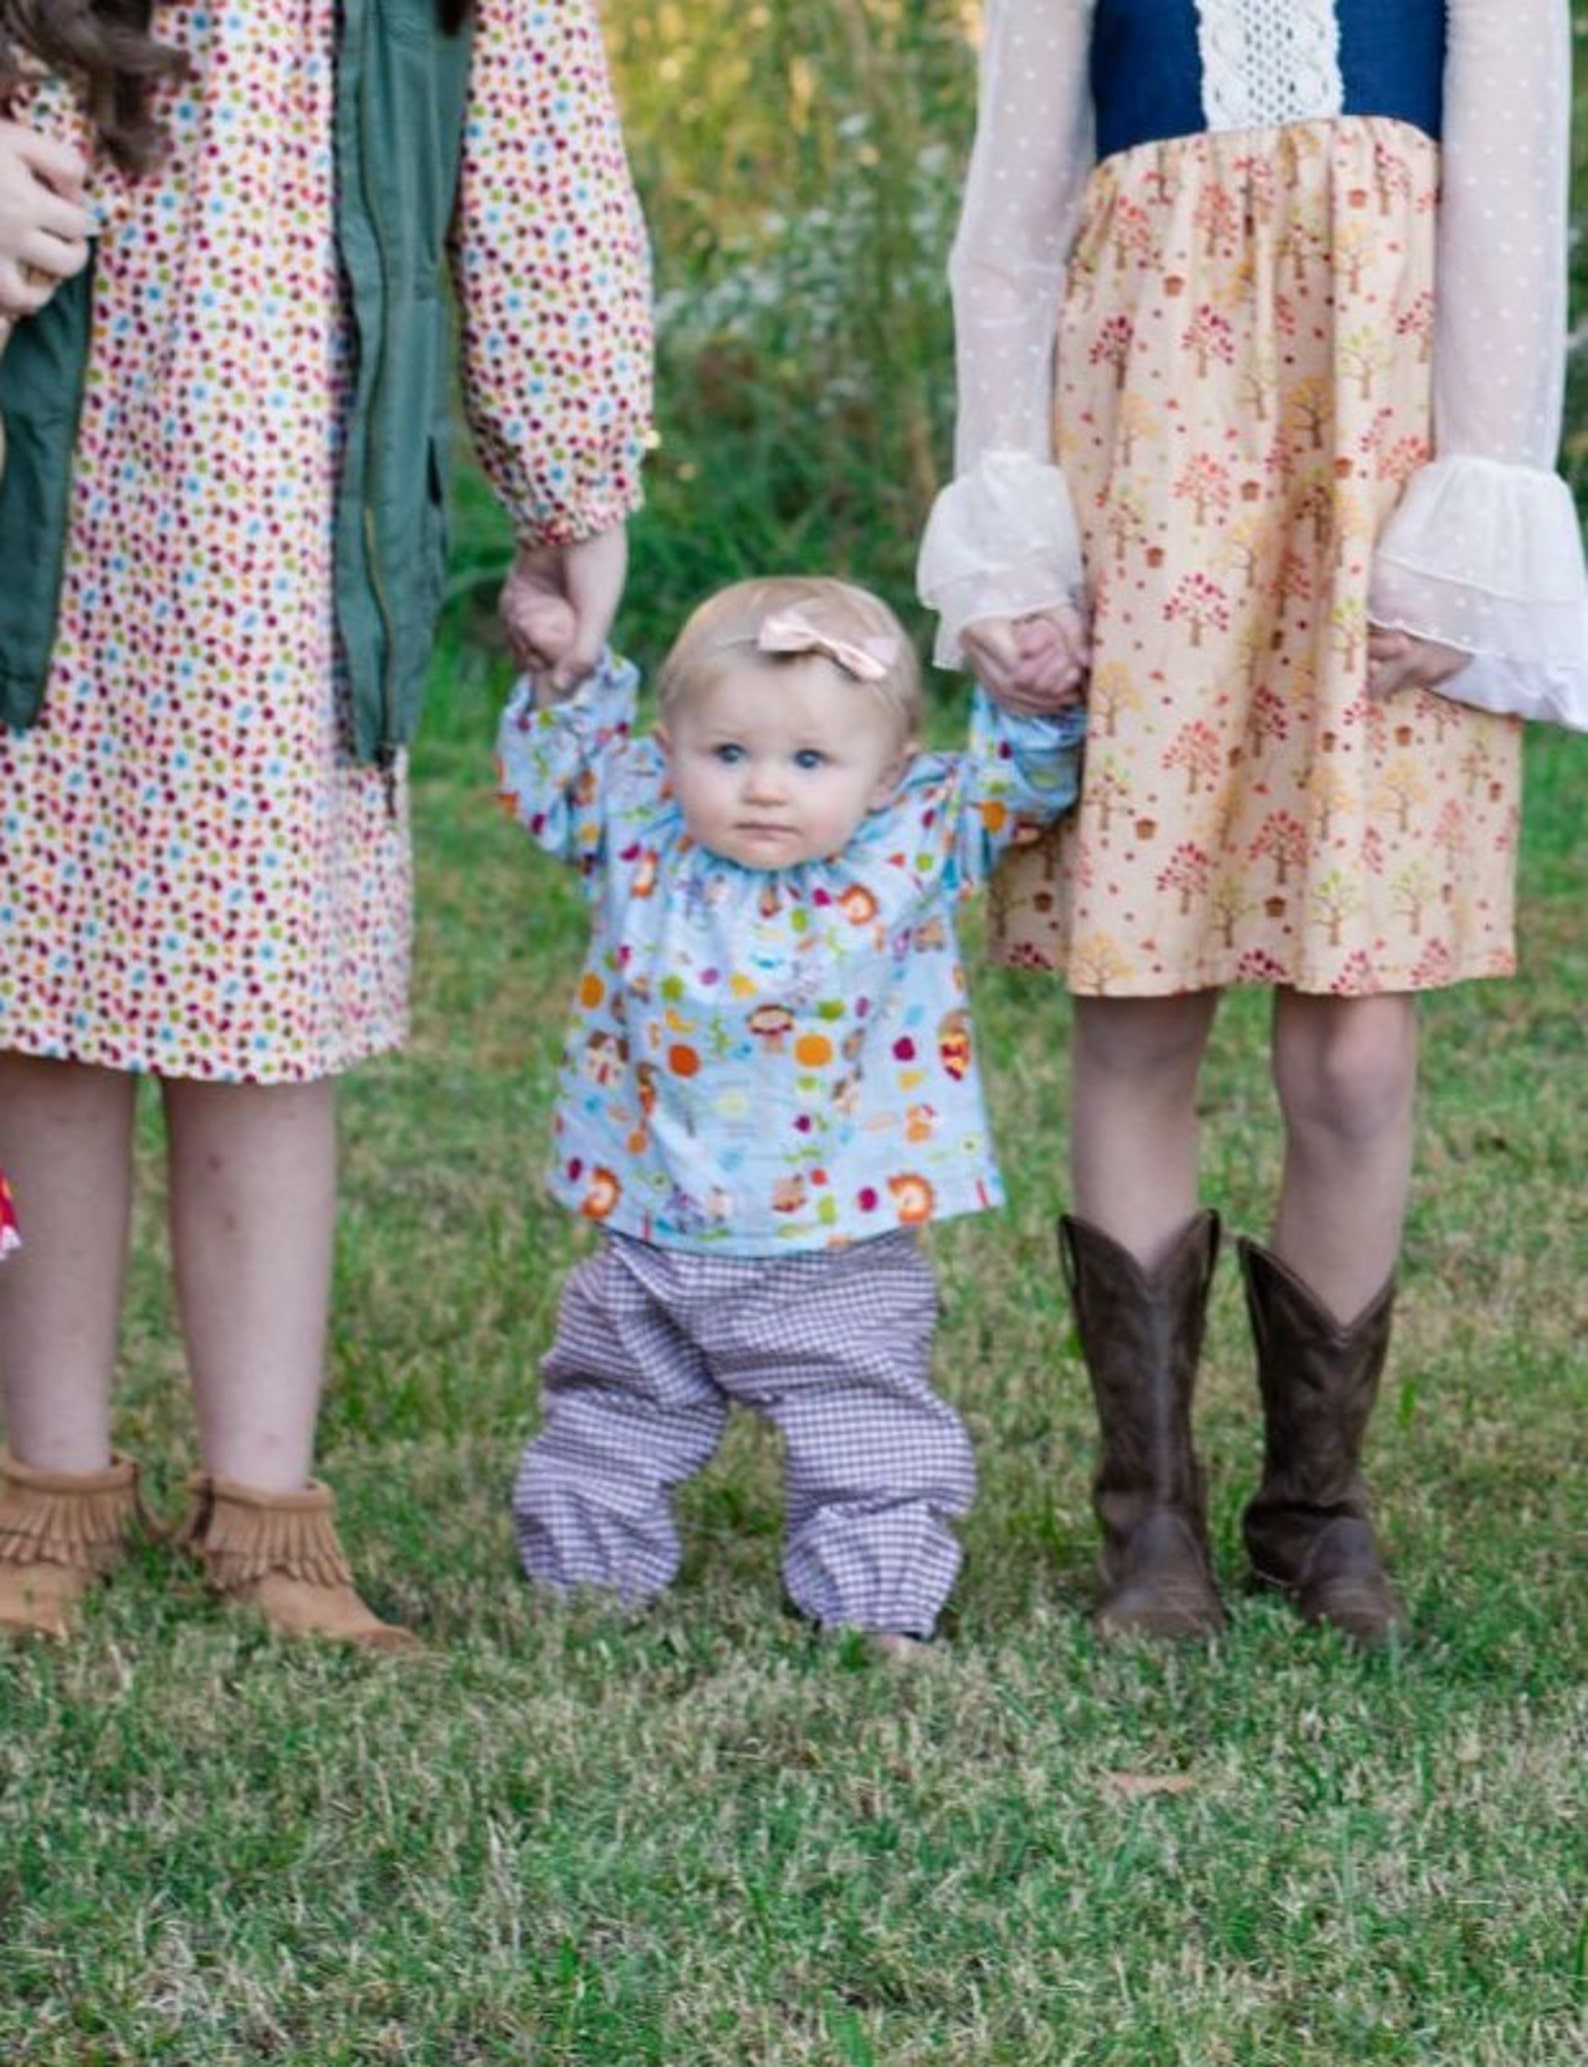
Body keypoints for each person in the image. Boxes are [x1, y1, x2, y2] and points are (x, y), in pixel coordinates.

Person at [918, 0, 1588, 1646]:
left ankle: (1314, 1508)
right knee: (1137, 1001)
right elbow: (1005, 231)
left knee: (1352, 1051)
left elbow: (1507, 190)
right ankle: (1147, 1520)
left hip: (1379, 475)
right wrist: (1010, 523)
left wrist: (1474, 505)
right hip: (1140, 469)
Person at [0, 0, 653, 1646]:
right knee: (36, 1007)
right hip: (35, 503)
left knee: (263, 1020)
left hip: (282, 530)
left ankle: (267, 1502)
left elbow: (538, 172)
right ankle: (47, 1481)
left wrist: (570, 481)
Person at [496, 575, 1085, 1651]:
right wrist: (565, 674)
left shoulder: (914, 834)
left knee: (866, 1431)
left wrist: (1038, 698)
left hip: (836, 1240)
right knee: (608, 1408)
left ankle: (871, 1603)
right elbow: (556, 778)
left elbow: (1026, 782)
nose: (763, 788)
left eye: (809, 762)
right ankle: (586, 1581)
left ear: (887, 772)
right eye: (727, 754)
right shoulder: (636, 820)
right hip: (649, 1227)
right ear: (666, 747)